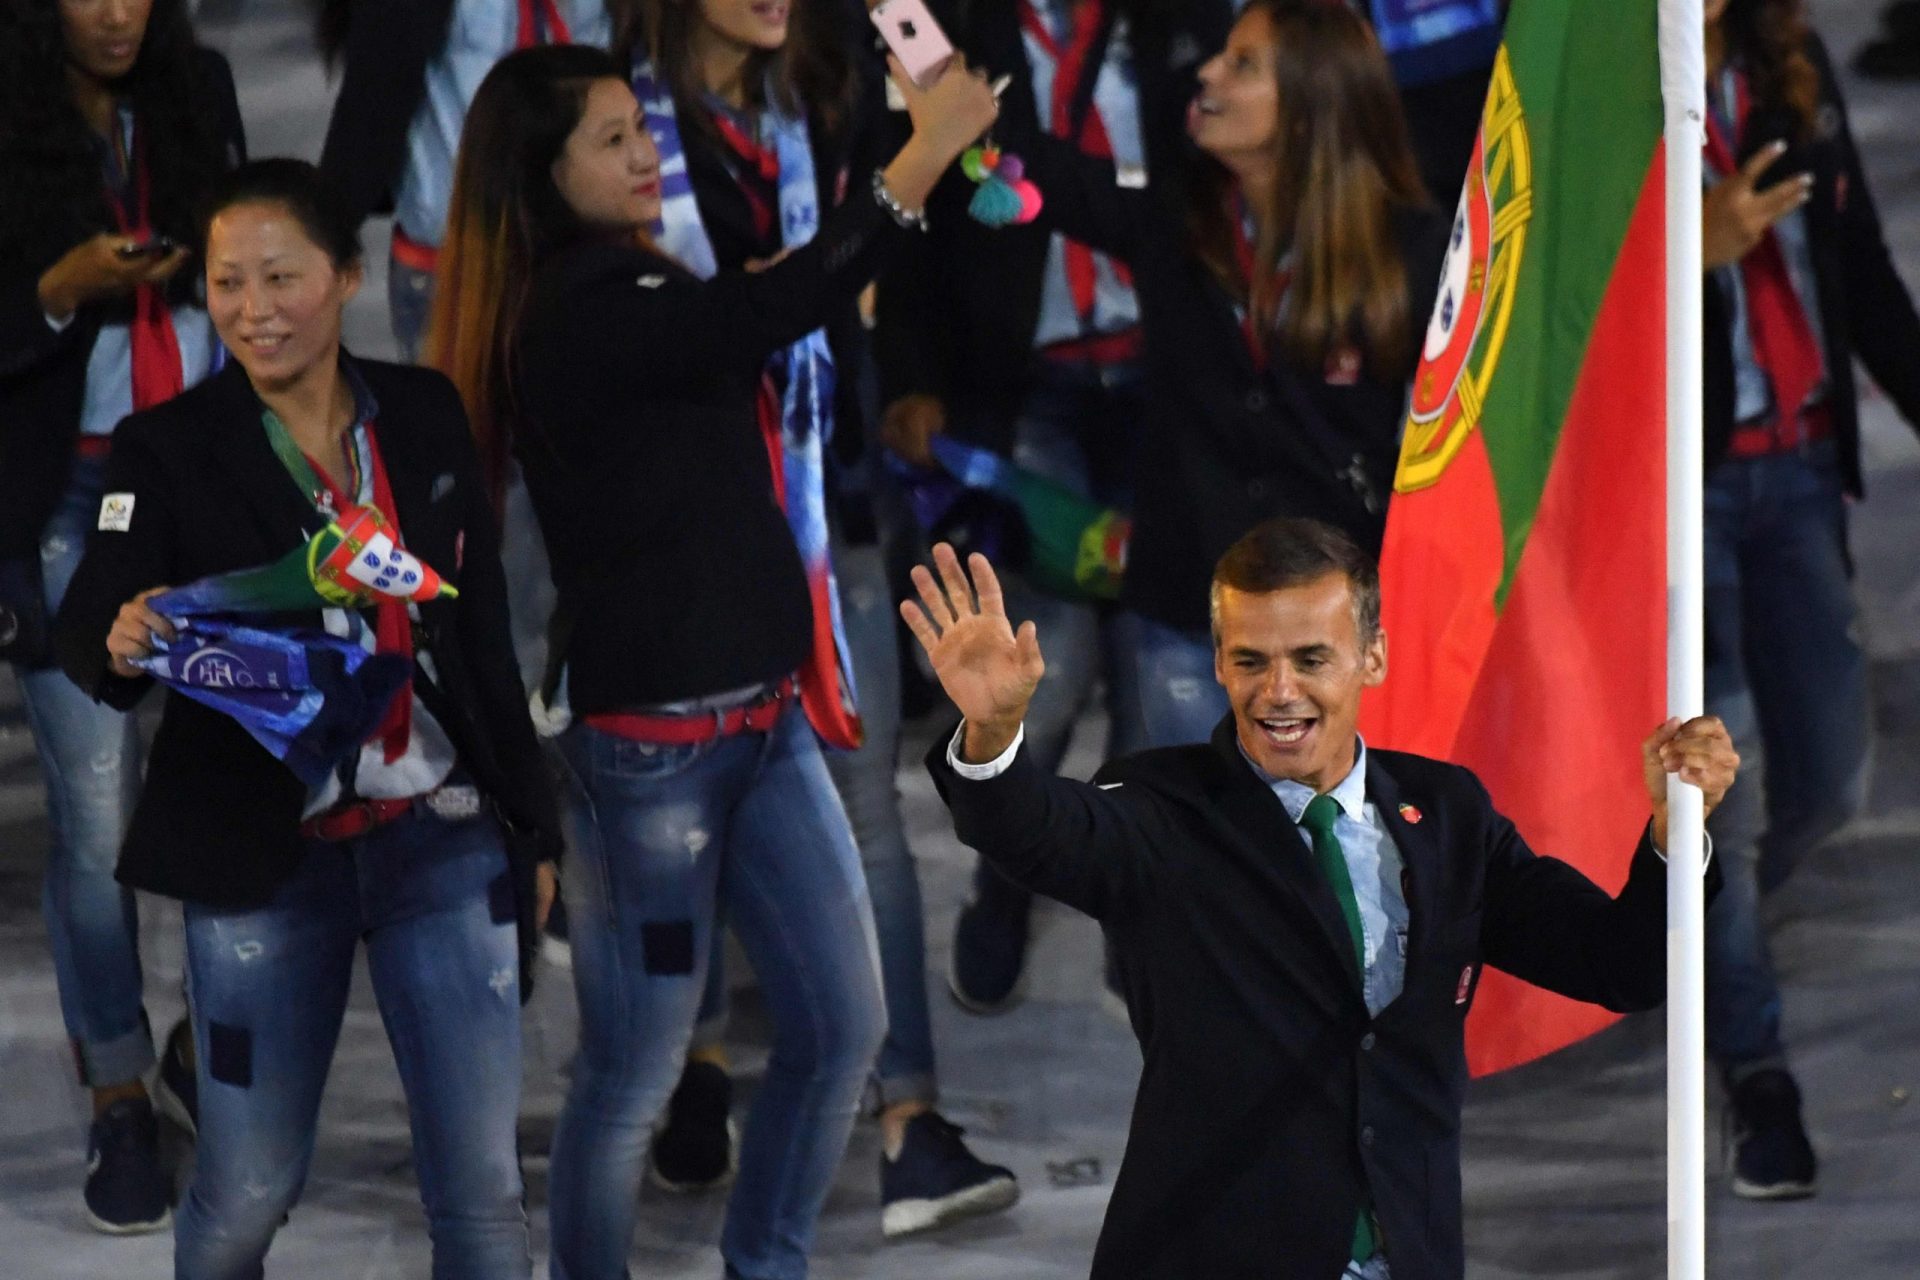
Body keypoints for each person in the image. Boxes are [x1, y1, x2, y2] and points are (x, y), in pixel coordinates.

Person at [428, 42, 997, 1278]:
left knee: (844, 1025)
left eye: (644, 129)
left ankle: (768, 1261)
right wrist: (923, 154)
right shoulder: (575, 302)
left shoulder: (634, 287)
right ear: (542, 173)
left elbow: (743, 309)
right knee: (631, 1073)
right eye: (612, 139)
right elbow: (767, 308)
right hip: (650, 763)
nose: (645, 156)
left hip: (764, 723)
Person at [902, 522, 1734, 1280]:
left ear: (1371, 657)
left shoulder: (1447, 816)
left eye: (1310, 659)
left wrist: (1673, 835)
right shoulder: (1165, 812)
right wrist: (992, 741)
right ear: (1220, 661)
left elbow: (1619, 963)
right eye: (1251, 662)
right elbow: (1039, 830)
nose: (1278, 693)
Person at [52, 159, 563, 1279]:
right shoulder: (167, 445)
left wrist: (533, 826)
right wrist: (123, 628)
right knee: (247, 1188)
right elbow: (101, 602)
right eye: (229, 282)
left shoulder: (423, 414)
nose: (253, 307)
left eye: (281, 276)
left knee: (482, 1192)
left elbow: (479, 637)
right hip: (262, 860)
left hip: (442, 832)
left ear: (346, 276)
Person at [606, 0, 1019, 1236]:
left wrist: (941, 129)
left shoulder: (826, 92)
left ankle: (910, 1119)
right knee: (696, 806)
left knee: (862, 804)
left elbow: (930, 211)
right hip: (676, 518)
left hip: (824, 496)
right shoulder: (614, 123)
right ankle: (699, 1069)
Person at [874, 0, 1237, 1019]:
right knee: (1053, 660)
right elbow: (911, 210)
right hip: (1023, 391)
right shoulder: (950, 29)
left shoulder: (1193, 23)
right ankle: (1009, 869)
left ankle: (1144, 924)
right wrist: (908, 371)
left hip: (1171, 388)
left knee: (1160, 685)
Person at [0, 0, 241, 1234]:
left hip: (200, 478)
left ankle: (211, 1050)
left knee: (237, 777)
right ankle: (115, 1091)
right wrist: (57, 290)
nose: (114, 12)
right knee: (96, 823)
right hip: (69, 493)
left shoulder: (197, 96)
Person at [1697, 0, 1920, 1201]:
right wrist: (1691, 251)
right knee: (1725, 801)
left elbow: (1863, 267)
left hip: (1799, 467)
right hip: (1685, 493)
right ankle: (1755, 1062)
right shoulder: (1587, 96)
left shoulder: (1791, 57)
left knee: (1832, 777)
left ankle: (1689, 926)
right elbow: (1553, 312)